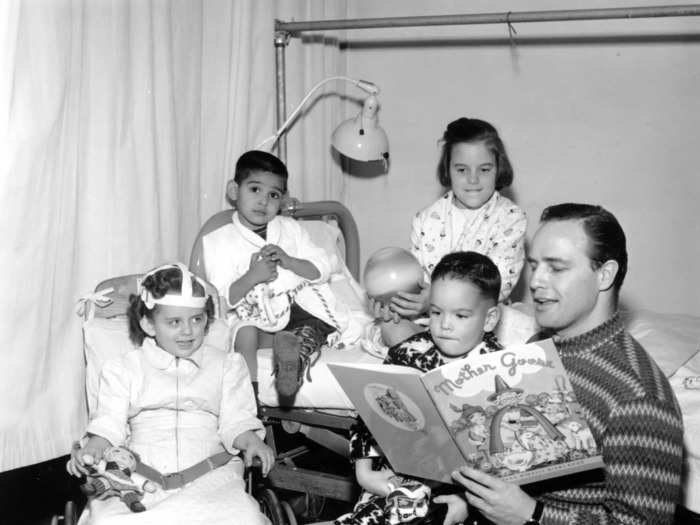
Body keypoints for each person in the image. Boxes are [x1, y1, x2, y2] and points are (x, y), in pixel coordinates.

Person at [451, 203, 684, 525]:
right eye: (534, 265)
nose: (535, 281)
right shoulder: (540, 347)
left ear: (605, 275)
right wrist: (471, 499)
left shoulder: (638, 397)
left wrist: (533, 515)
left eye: (556, 268)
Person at [67, 263, 274, 524]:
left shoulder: (227, 366)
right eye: (174, 322)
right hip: (140, 473)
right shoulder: (124, 369)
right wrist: (96, 445)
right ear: (149, 325)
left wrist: (251, 441)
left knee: (242, 518)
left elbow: (237, 419)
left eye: (197, 319)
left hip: (210, 473)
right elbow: (109, 422)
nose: (188, 331)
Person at [336, 251, 504, 525]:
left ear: (489, 319)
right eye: (436, 312)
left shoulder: (498, 366)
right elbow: (368, 417)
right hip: (403, 478)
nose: (445, 325)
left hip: (471, 493)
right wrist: (364, 473)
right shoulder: (408, 352)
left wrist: (465, 499)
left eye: (461, 316)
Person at [202, 150, 365, 400]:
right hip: (257, 318)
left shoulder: (291, 229)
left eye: (273, 195)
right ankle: (249, 398)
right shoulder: (218, 241)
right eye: (255, 189)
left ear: (282, 200)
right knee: (244, 333)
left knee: (316, 319)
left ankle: (293, 356)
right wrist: (252, 277)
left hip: (298, 310)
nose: (263, 201)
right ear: (234, 191)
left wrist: (290, 262)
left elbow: (323, 267)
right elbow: (221, 299)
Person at [376, 118, 527, 347]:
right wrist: (395, 301)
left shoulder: (511, 218)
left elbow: (500, 285)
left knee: (523, 329)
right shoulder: (426, 219)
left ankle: (442, 360)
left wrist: (436, 301)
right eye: (462, 169)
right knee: (389, 325)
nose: (473, 179)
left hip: (482, 321)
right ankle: (436, 359)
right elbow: (418, 282)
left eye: (484, 169)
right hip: (434, 322)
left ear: (498, 169)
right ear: (448, 169)